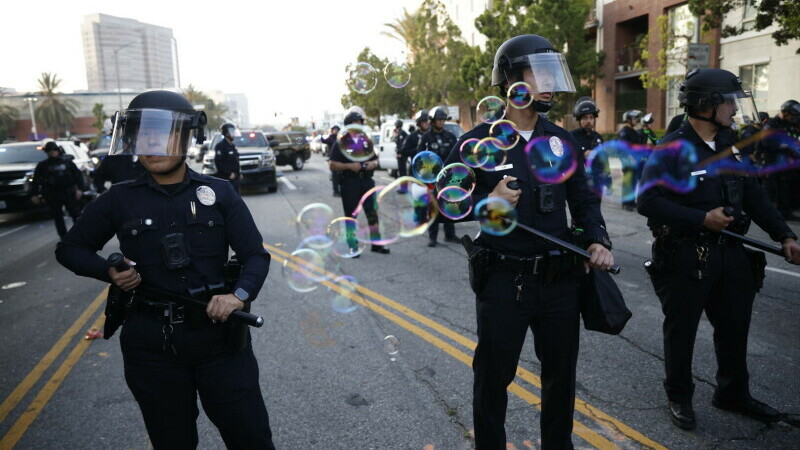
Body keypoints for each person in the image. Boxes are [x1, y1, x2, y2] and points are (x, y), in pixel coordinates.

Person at [55, 90, 276, 449]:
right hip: (151, 346)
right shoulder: (118, 198)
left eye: (163, 133)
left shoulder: (219, 193)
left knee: (250, 439)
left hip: (219, 341)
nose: (152, 144)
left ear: (187, 138)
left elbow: (255, 255)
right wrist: (108, 272)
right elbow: (69, 249)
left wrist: (238, 296)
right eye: (143, 135)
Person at [443, 34, 614, 449]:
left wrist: (596, 239)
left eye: (554, 73)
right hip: (504, 282)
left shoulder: (562, 139)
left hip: (560, 282)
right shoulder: (473, 143)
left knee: (560, 379)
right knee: (493, 379)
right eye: (541, 74)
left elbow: (586, 201)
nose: (551, 83)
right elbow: (446, 200)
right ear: (511, 80)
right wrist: (489, 200)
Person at [638, 69, 800, 431]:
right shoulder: (671, 150)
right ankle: (679, 395)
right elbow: (647, 201)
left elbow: (755, 196)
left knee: (735, 326)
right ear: (705, 104)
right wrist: (700, 218)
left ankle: (732, 393)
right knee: (681, 330)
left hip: (734, 254)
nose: (733, 107)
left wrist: (785, 235)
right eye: (728, 100)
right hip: (687, 256)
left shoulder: (732, 145)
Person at [328, 106, 390, 256]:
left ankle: (377, 244)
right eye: (356, 123)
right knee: (351, 216)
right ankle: (353, 246)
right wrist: (350, 165)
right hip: (350, 183)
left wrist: (371, 164)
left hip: (367, 181)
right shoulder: (341, 143)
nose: (359, 126)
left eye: (360, 123)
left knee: (372, 214)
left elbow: (376, 161)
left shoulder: (366, 142)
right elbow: (332, 164)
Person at [419, 105, 459, 247]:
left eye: (443, 119)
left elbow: (458, 157)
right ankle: (433, 237)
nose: (441, 122)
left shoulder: (450, 136)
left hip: (448, 177)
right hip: (432, 179)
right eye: (438, 119)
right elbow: (419, 159)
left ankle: (450, 235)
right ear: (432, 121)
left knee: (450, 206)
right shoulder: (426, 138)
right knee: (433, 208)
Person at [30, 141, 85, 238]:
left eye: (54, 150)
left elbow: (78, 176)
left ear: (58, 150)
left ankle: (79, 236)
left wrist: (80, 189)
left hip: (68, 192)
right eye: (50, 151)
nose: (52, 152)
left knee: (76, 214)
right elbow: (36, 181)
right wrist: (34, 194)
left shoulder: (67, 162)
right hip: (52, 194)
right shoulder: (43, 166)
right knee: (58, 217)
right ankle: (64, 238)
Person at [759, 100, 800, 220]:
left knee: (784, 188)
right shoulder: (771, 124)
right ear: (785, 113)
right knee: (770, 189)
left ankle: (785, 213)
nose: (793, 118)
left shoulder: (787, 125)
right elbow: (766, 142)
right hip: (770, 161)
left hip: (784, 162)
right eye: (792, 115)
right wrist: (786, 145)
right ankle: (765, 214)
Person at [569, 97, 609, 195]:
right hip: (578, 185)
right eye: (585, 118)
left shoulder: (598, 137)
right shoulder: (572, 136)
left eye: (591, 118)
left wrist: (608, 180)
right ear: (579, 119)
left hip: (596, 184)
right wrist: (582, 154)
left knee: (595, 209)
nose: (588, 121)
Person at [618, 110, 648, 211]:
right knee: (628, 182)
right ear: (629, 119)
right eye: (635, 118)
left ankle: (631, 201)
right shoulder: (624, 132)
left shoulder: (634, 131)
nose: (637, 120)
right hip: (628, 162)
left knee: (634, 182)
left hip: (636, 161)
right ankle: (626, 203)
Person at [214, 123, 242, 193]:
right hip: (226, 179)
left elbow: (235, 161)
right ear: (226, 133)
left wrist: (238, 173)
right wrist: (228, 174)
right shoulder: (220, 146)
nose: (233, 134)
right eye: (232, 132)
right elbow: (218, 163)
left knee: (236, 199)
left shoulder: (232, 145)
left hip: (235, 178)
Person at [322, 125, 341, 196]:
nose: (336, 131)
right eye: (334, 130)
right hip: (333, 158)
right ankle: (336, 191)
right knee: (335, 175)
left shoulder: (342, 137)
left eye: (337, 130)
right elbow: (325, 141)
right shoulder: (331, 137)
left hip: (341, 158)